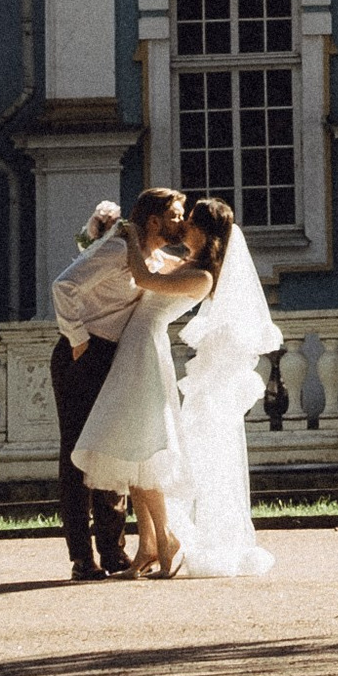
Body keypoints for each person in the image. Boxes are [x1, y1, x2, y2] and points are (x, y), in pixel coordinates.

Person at [48, 189, 205, 581]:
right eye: (175, 214)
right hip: (82, 354)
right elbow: (63, 286)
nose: (181, 221)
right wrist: (78, 338)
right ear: (153, 221)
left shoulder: (151, 257)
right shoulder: (118, 250)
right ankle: (82, 557)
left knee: (110, 450)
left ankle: (114, 551)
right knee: (77, 455)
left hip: (117, 358)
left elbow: (191, 269)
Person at [158, 195, 283, 582]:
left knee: (205, 460)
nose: (184, 229)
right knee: (207, 459)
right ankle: (199, 539)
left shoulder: (205, 275)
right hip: (208, 387)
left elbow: (154, 280)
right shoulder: (202, 268)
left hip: (211, 390)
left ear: (205, 232)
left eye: (190, 222)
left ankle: (207, 541)